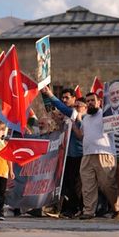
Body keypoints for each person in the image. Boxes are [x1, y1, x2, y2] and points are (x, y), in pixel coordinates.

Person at [72, 92, 119, 219]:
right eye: (88, 101)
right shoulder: (86, 118)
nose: (90, 103)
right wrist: (73, 127)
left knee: (107, 184)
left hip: (104, 154)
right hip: (87, 155)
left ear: (99, 102)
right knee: (87, 185)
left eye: (93, 100)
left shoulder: (106, 115)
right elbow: (82, 135)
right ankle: (89, 211)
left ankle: (117, 208)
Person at [40, 86, 84, 218]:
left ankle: (76, 208)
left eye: (67, 98)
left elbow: (63, 108)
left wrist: (50, 94)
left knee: (74, 183)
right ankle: (64, 208)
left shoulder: (75, 113)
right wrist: (57, 120)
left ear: (74, 99)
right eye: (62, 97)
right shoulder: (66, 116)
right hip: (66, 154)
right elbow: (63, 130)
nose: (64, 100)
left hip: (77, 154)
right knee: (65, 183)